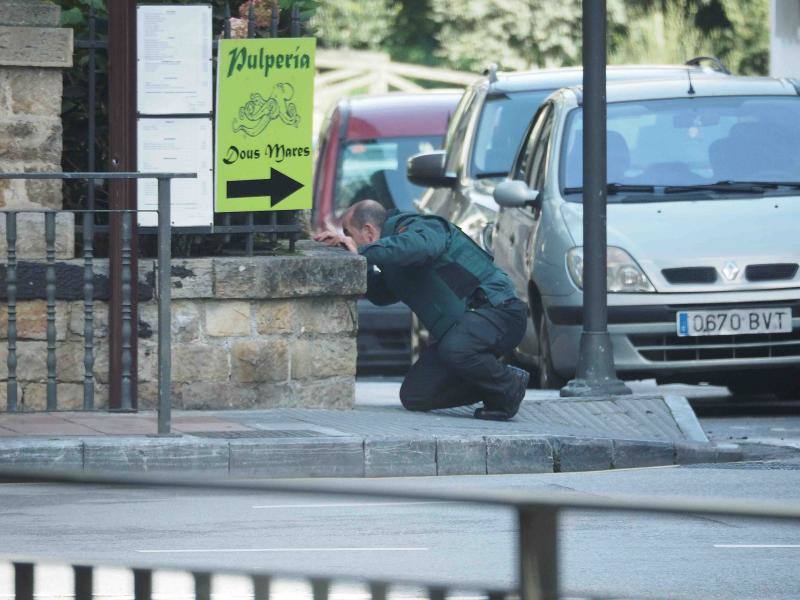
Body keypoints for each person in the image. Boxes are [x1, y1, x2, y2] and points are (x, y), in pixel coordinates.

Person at [314, 200, 529, 421]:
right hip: (461, 332)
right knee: (416, 395)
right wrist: (358, 260)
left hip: (499, 313)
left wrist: (361, 251)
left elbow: (423, 247)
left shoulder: (420, 227)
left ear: (368, 231)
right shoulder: (393, 259)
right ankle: (502, 382)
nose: (348, 239)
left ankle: (507, 387)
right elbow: (380, 295)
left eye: (349, 233)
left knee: (456, 348)